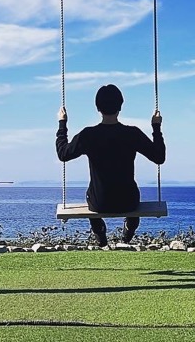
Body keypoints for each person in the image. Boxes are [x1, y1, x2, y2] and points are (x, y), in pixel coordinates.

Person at [56, 84, 165, 247]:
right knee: (134, 196)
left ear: (97, 108)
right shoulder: (132, 134)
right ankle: (129, 229)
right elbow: (159, 157)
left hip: (99, 203)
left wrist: (62, 124)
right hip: (128, 201)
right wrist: (156, 127)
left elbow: (63, 154)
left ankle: (99, 232)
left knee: (90, 195)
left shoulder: (88, 135)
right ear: (120, 106)